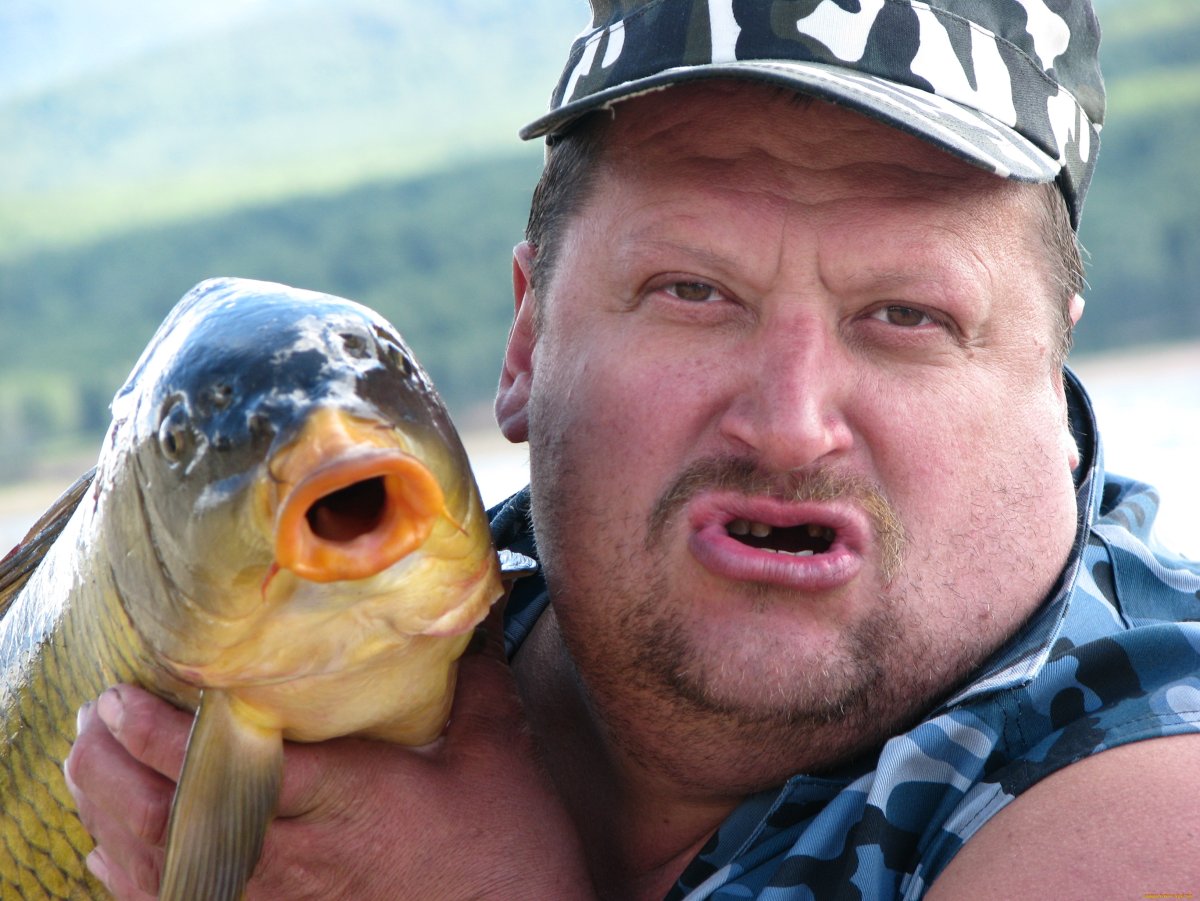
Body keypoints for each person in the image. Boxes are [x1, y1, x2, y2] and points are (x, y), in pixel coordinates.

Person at [66, 0, 1200, 897]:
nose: (791, 420)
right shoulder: (304, 609)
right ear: (526, 340)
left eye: (908, 315)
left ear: (1050, 390)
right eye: (692, 290)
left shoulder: (1153, 780)